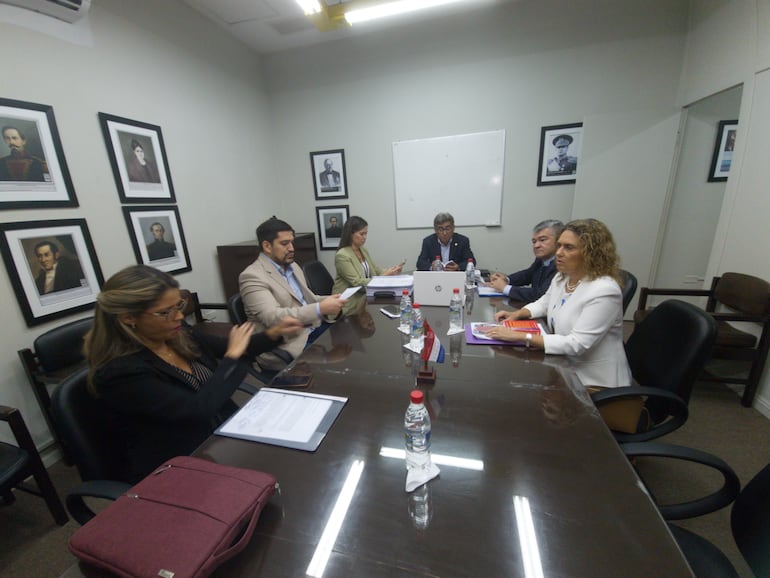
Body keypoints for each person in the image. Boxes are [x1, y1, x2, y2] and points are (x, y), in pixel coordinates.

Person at [84, 264, 303, 482]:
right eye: (165, 312)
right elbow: (197, 410)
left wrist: (274, 333)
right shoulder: (121, 373)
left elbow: (233, 345)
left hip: (218, 437)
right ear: (128, 318)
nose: (179, 316)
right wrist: (232, 359)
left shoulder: (178, 335)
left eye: (179, 305)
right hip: (177, 463)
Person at [485, 218, 631, 388]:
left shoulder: (604, 290)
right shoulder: (563, 277)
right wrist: (517, 314)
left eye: (568, 247)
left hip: (592, 382)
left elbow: (577, 344)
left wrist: (521, 336)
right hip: (564, 367)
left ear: (591, 253)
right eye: (559, 245)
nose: (559, 253)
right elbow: (544, 303)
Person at [239, 217, 347, 370]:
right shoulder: (252, 276)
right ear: (267, 246)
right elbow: (274, 317)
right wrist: (320, 309)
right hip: (288, 346)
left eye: (292, 242)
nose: (291, 248)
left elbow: (307, 300)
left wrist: (333, 299)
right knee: (342, 369)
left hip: (313, 330)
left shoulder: (293, 266)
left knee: (353, 344)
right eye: (284, 244)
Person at [332, 215, 403, 314]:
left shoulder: (362, 249)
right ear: (351, 234)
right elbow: (357, 282)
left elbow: (375, 269)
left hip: (365, 299)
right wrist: (383, 277)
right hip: (349, 304)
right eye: (362, 234)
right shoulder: (342, 255)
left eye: (366, 234)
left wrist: (390, 271)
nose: (365, 237)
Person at [486, 219, 564, 302]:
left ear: (559, 241)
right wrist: (506, 279)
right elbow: (527, 275)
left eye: (542, 240)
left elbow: (541, 294)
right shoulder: (541, 259)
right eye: (534, 241)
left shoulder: (562, 264)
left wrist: (505, 288)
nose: (536, 245)